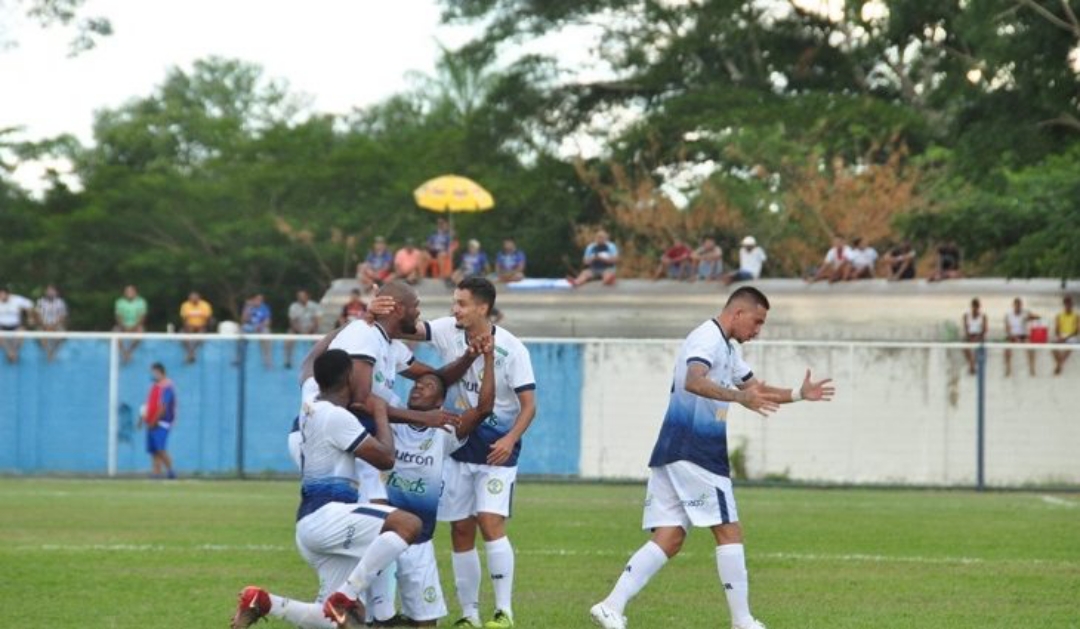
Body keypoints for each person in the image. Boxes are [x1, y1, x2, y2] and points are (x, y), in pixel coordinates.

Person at [589, 286, 835, 629]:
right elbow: (694, 381)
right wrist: (738, 397)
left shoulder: (728, 348)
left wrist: (798, 394)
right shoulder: (706, 337)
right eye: (757, 322)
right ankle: (742, 621)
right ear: (737, 314)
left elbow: (755, 391)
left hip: (674, 449)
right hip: (695, 451)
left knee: (670, 537)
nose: (758, 331)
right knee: (728, 531)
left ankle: (610, 605)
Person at [230, 350, 423, 629]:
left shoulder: (310, 401)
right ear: (347, 377)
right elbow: (386, 458)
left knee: (330, 620)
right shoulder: (335, 418)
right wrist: (380, 412)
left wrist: (343, 329)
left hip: (309, 524)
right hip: (328, 515)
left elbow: (308, 363)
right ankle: (346, 595)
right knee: (408, 524)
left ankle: (263, 601)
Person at [405, 277, 537, 629]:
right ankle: (469, 615)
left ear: (482, 307)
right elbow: (412, 329)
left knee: (490, 522)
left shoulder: (513, 349)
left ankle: (504, 612)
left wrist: (510, 439)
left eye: (462, 303)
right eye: (454, 302)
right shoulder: (448, 330)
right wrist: (384, 307)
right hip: (456, 449)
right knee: (461, 530)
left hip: (496, 452)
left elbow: (528, 406)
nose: (454, 309)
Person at [364, 339, 496, 627]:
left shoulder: (446, 428)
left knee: (426, 619)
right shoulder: (390, 413)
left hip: (419, 536)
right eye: (416, 384)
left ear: (440, 402)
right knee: (369, 617)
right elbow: (366, 396)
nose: (418, 387)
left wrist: (486, 359)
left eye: (429, 387)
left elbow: (484, 409)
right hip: (380, 532)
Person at [137, 362, 177, 479]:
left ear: (160, 372)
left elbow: (163, 407)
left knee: (160, 448)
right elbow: (148, 405)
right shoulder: (155, 387)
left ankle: (171, 471)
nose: (152, 375)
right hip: (151, 422)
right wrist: (141, 419)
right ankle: (156, 472)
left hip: (162, 422)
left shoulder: (167, 387)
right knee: (154, 450)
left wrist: (154, 422)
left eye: (154, 372)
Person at [284, 289, 321, 370]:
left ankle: (317, 361)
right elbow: (292, 322)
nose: (301, 298)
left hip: (311, 329)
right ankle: (288, 361)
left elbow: (317, 321)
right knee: (288, 338)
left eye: (303, 296)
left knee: (319, 340)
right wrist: (300, 331)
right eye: (299, 296)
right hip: (297, 329)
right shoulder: (293, 306)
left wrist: (309, 330)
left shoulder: (314, 306)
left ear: (307, 296)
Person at [1004, 297, 1039, 377]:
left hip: (1023, 336)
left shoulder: (1025, 313)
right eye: (1016, 305)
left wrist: (1030, 317)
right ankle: (1008, 368)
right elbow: (1007, 328)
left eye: (1019, 305)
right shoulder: (1009, 315)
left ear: (1021, 305)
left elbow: (1037, 317)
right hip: (1013, 336)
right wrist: (1013, 337)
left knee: (1030, 347)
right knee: (1007, 348)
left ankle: (1032, 367)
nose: (1018, 307)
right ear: (1013, 305)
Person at [33, 284, 68, 362]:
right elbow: (37, 315)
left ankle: (53, 352)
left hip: (56, 325)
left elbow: (62, 316)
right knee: (41, 336)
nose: (50, 292)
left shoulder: (60, 302)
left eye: (52, 291)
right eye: (48, 291)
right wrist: (45, 326)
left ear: (56, 292)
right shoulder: (40, 302)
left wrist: (53, 326)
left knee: (62, 335)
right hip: (43, 325)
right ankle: (48, 352)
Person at [114, 285, 148, 364]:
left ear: (135, 292)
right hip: (123, 325)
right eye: (127, 291)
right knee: (115, 332)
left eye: (131, 291)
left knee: (140, 332)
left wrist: (133, 327)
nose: (129, 293)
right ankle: (124, 353)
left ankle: (129, 351)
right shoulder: (120, 302)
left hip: (136, 325)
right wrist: (124, 327)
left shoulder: (141, 302)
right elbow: (118, 316)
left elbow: (142, 317)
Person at [0, 287, 32, 363]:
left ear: (8, 295)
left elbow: (29, 305)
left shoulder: (17, 299)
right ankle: (11, 354)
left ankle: (13, 354)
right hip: (2, 327)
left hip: (15, 326)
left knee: (22, 332)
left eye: (3, 295)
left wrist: (29, 317)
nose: (1, 297)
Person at [179, 291, 213, 364]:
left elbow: (208, 319)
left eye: (195, 298)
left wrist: (202, 326)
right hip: (189, 326)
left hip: (201, 326)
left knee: (200, 334)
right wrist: (187, 326)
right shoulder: (185, 305)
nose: (193, 300)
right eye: (192, 299)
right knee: (183, 335)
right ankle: (191, 353)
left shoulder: (205, 305)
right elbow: (184, 319)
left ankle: (191, 353)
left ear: (199, 298)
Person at [240, 293, 273, 368]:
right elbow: (243, 320)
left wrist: (260, 326)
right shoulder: (249, 307)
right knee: (241, 332)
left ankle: (268, 361)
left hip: (261, 328)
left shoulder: (265, 308)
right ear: (253, 299)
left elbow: (268, 321)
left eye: (261, 299)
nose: (259, 301)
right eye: (257, 299)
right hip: (250, 327)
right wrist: (247, 307)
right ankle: (239, 358)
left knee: (267, 334)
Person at [1052, 296, 1078, 376]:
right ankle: (1060, 363)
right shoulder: (1059, 315)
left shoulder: (1076, 316)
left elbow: (1076, 331)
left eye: (1069, 304)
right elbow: (1056, 329)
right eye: (1067, 304)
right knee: (1052, 344)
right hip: (1062, 334)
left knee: (1071, 344)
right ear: (1064, 305)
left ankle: (1059, 364)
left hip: (1071, 335)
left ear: (1072, 305)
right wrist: (1060, 336)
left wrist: (1066, 337)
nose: (1068, 306)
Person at [962, 298, 988, 375]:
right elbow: (966, 329)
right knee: (964, 344)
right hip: (970, 335)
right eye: (973, 307)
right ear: (971, 307)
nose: (975, 309)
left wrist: (978, 337)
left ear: (979, 307)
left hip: (979, 336)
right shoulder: (966, 316)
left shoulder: (983, 316)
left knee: (980, 344)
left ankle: (972, 365)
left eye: (976, 307)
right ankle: (971, 364)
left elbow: (984, 329)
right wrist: (970, 337)